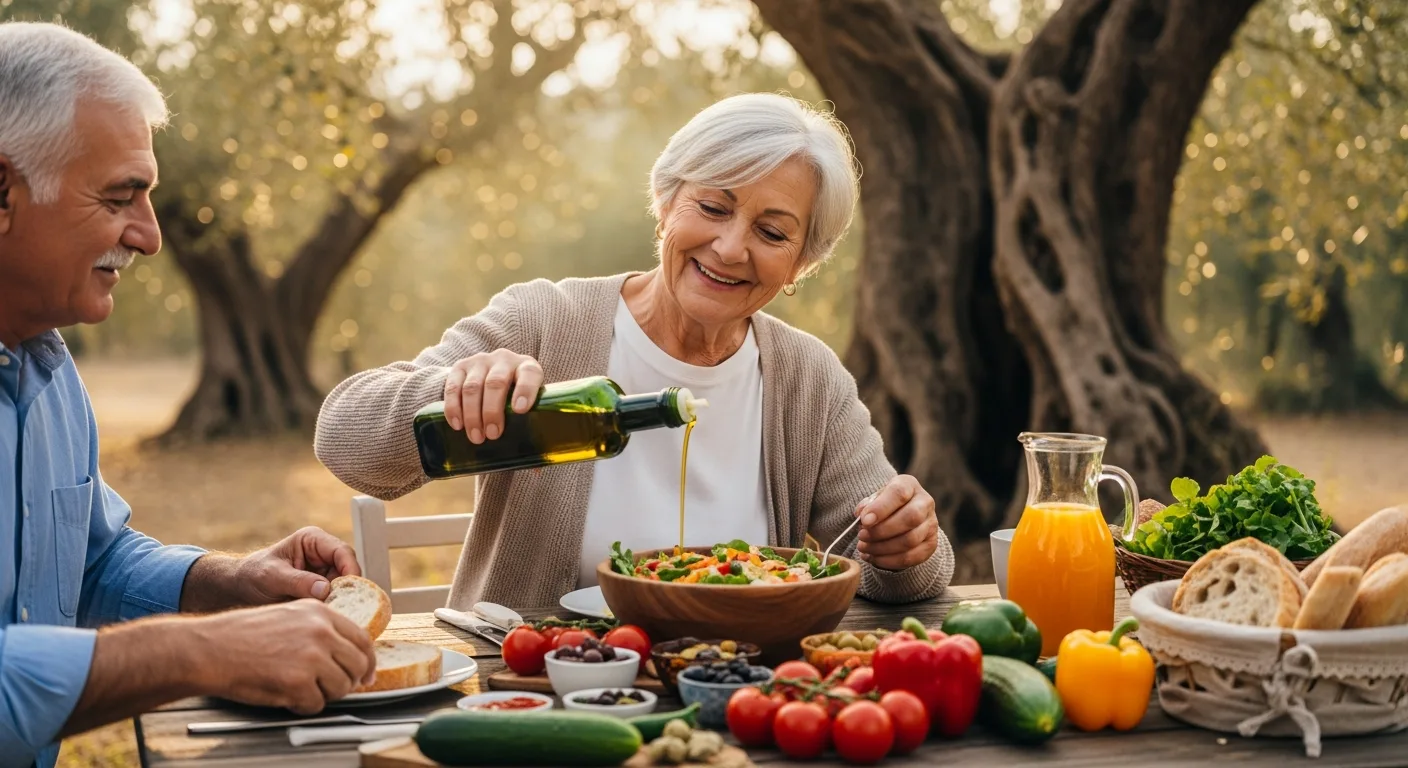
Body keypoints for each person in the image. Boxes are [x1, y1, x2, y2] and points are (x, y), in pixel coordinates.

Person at [315, 92, 956, 609]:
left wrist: (909, 545)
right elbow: (345, 440)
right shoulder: (546, 321)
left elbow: (901, 572)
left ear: (799, 265)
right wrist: (451, 390)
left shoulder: (806, 377)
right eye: (712, 206)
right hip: (536, 685)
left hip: (729, 688)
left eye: (771, 231)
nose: (732, 248)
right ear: (665, 206)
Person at [0, 23, 378, 767]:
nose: (148, 237)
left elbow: (90, 566)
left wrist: (227, 583)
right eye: (120, 197)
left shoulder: (45, 372)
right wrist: (200, 650)